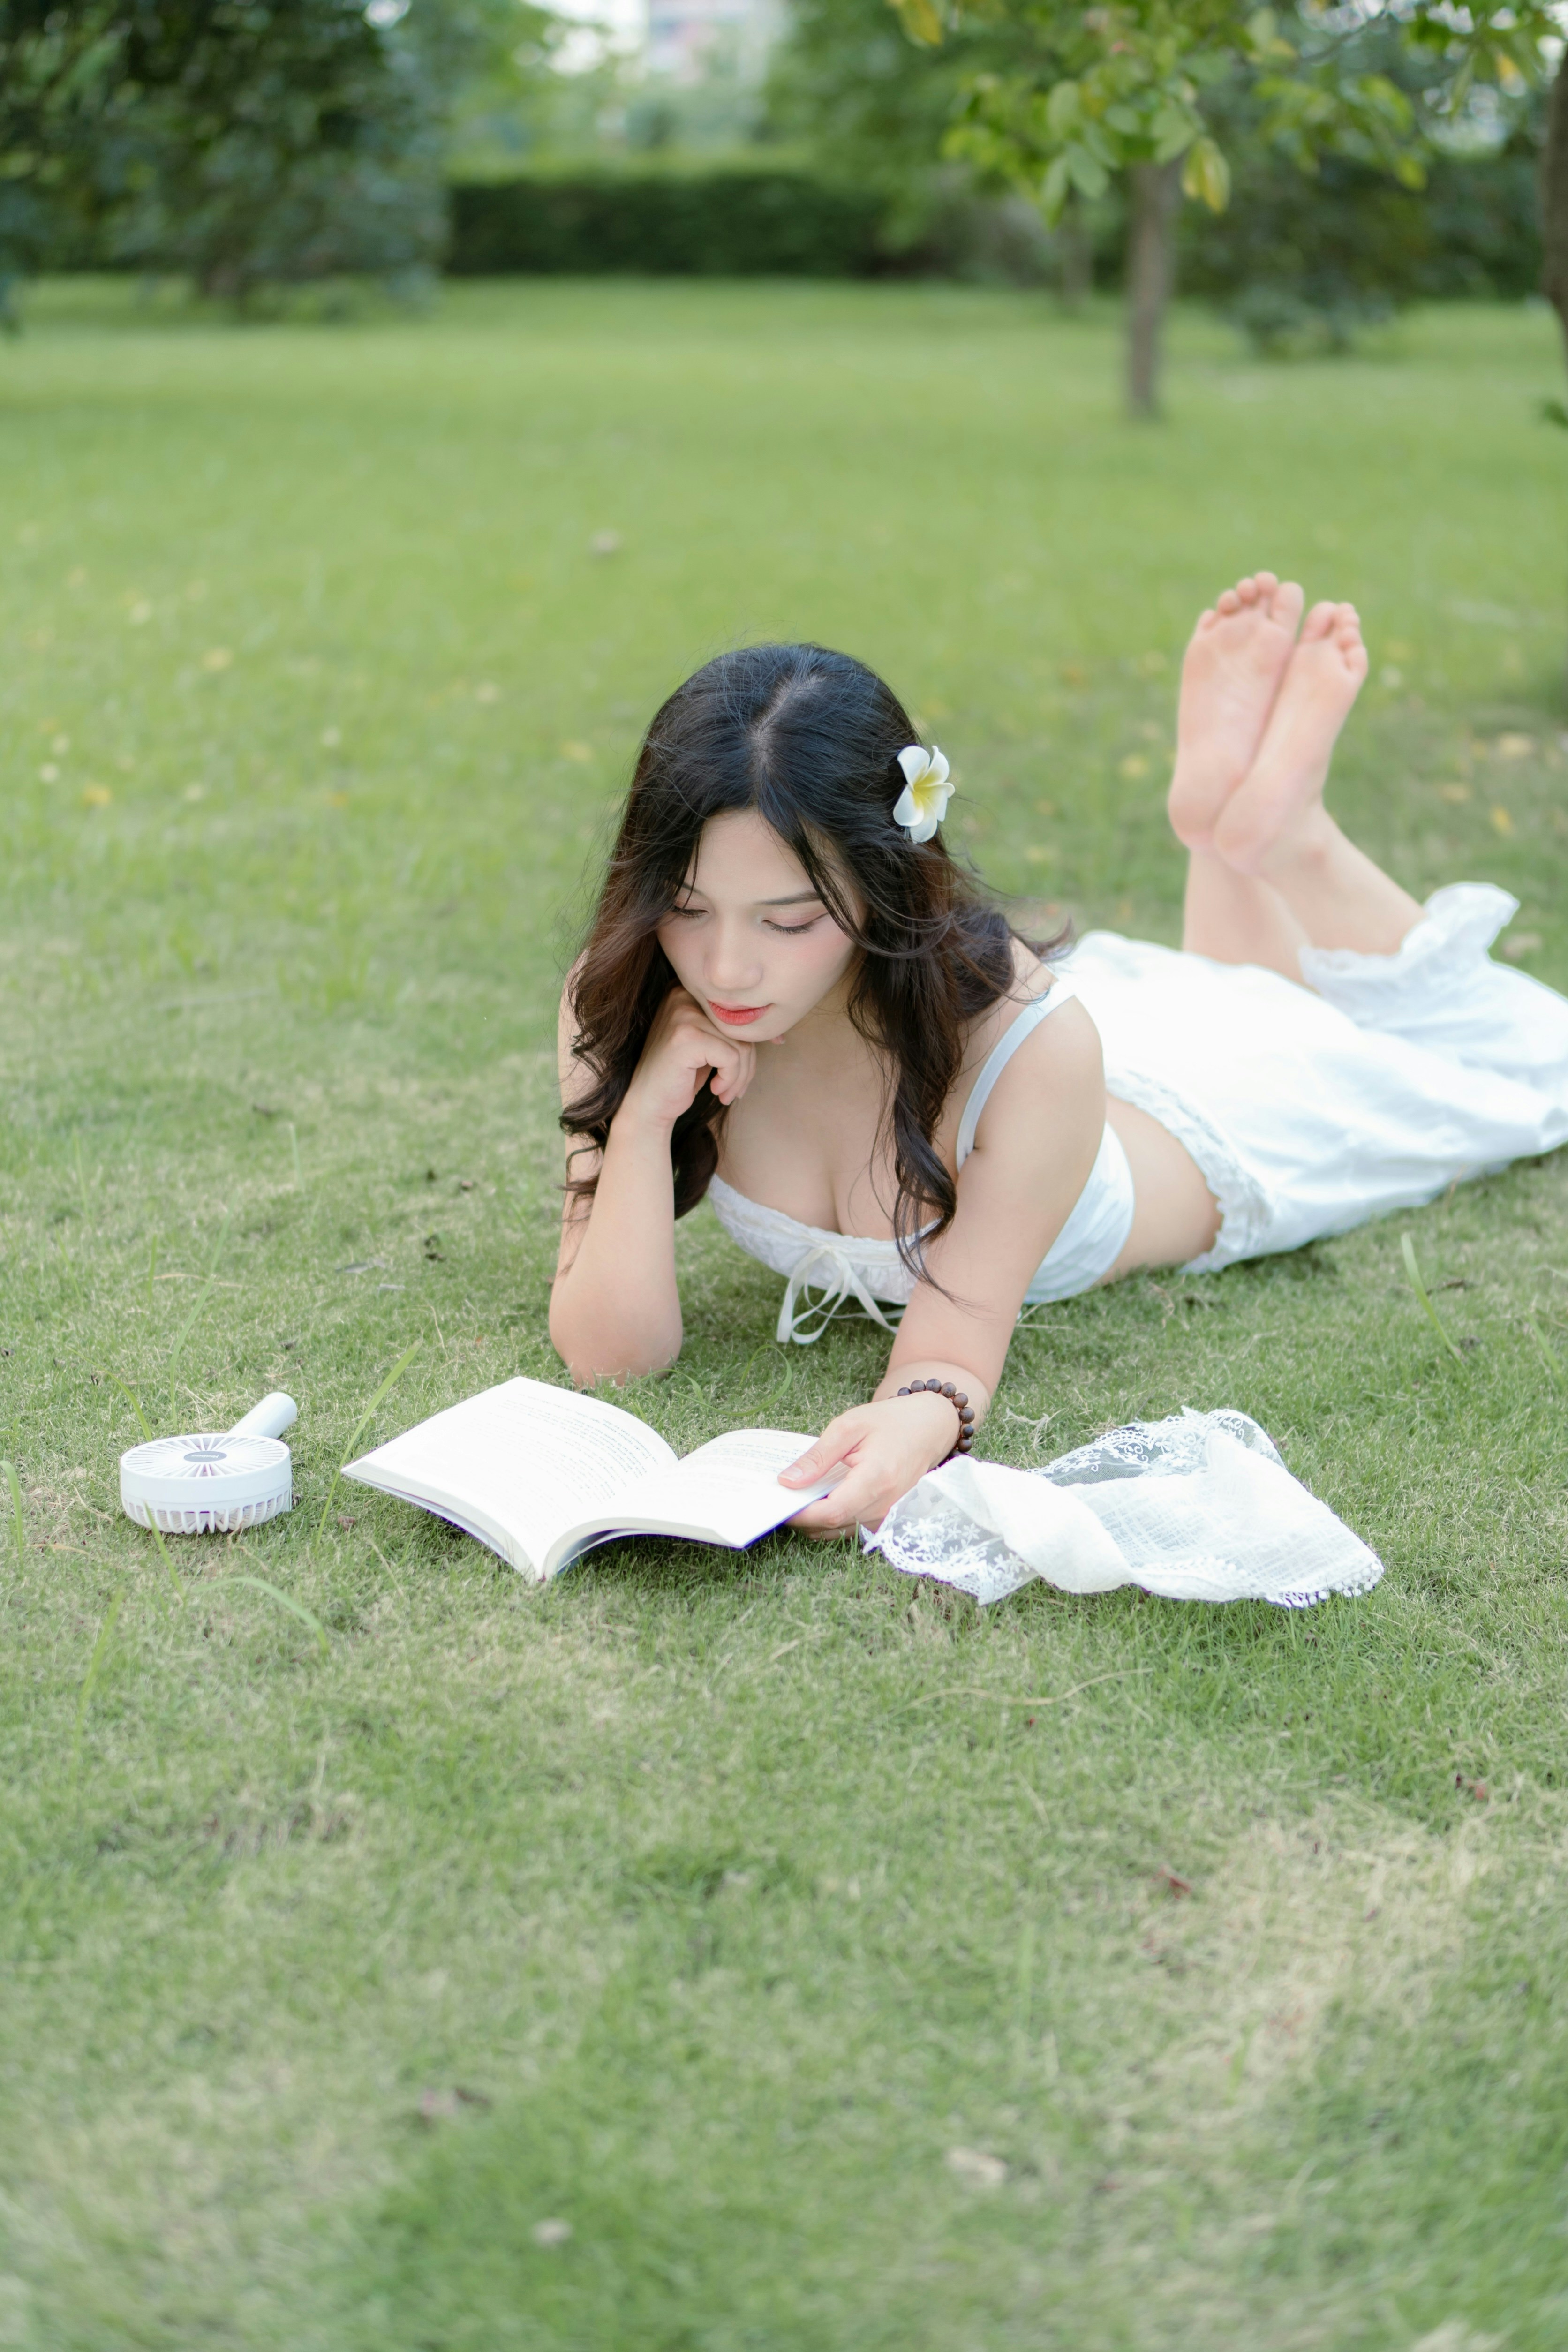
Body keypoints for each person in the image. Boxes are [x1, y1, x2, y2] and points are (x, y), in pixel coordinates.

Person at [551, 576, 1568, 1538]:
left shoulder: (1028, 1048)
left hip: (1206, 1129)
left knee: (1517, 1064)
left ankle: (1289, 839)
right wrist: (641, 1117)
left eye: (789, 921)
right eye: (687, 909)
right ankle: (1232, 837)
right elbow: (612, 1357)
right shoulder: (628, 999)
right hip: (1062, 1074)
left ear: (882, 886)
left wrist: (920, 1419)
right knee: (1249, 998)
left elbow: (951, 1351)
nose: (727, 966)